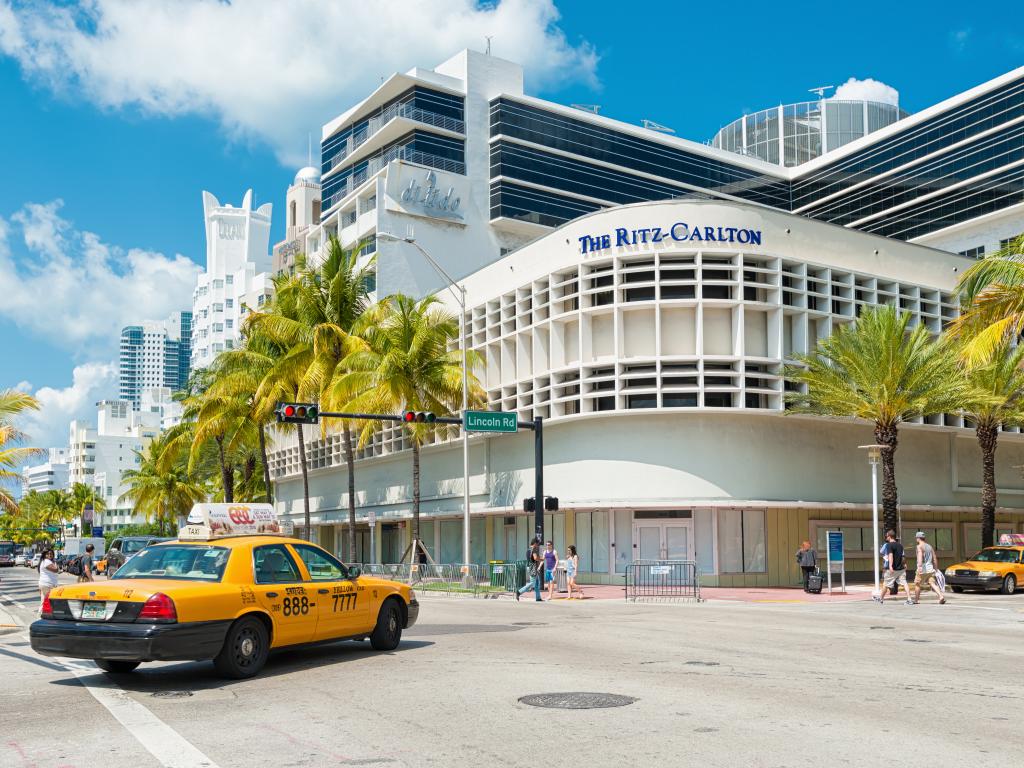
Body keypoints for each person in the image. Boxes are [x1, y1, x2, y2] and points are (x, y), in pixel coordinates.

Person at [911, 531, 946, 605]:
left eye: (916, 538)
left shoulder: (919, 546)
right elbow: (934, 558)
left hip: (922, 568)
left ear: (918, 538)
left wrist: (919, 566)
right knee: (932, 583)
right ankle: (941, 596)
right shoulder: (930, 546)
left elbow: (920, 556)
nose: (916, 539)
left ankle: (916, 600)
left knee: (917, 584)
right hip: (930, 568)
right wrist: (936, 568)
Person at [878, 531, 909, 604]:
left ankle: (881, 599)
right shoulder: (900, 545)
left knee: (886, 583)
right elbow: (903, 556)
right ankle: (909, 599)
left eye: (887, 536)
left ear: (889, 536)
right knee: (904, 583)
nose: (886, 537)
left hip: (892, 569)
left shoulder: (889, 545)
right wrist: (905, 564)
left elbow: (890, 555)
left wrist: (890, 566)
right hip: (901, 569)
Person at [38, 548, 59, 615]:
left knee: (43, 601)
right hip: (48, 585)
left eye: (51, 554)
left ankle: (40, 614)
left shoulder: (44, 561)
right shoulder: (47, 561)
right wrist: (55, 563)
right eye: (47, 554)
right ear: (44, 555)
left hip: (45, 584)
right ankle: (44, 615)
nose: (49, 555)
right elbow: (56, 569)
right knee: (49, 601)